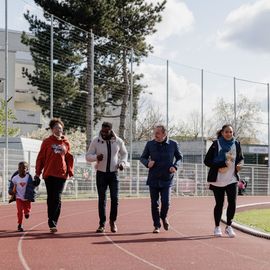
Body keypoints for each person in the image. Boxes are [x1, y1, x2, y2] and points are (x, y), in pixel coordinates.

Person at [86, 122, 128, 233]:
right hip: (101, 174)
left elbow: (124, 154)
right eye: (102, 131)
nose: (103, 133)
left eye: (106, 131)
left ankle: (113, 221)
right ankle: (102, 224)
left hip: (114, 174)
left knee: (115, 199)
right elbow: (88, 156)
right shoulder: (96, 140)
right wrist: (96, 157)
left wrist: (122, 163)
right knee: (102, 199)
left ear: (110, 130)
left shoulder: (118, 141)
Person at [140, 124, 183, 233]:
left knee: (166, 202)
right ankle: (157, 225)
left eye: (157, 133)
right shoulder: (150, 144)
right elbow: (143, 157)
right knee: (154, 203)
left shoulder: (173, 144)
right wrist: (147, 163)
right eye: (154, 133)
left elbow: (179, 157)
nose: (155, 135)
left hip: (167, 178)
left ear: (164, 134)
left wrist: (175, 166)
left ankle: (163, 217)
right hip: (153, 178)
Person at [204, 124, 244, 238]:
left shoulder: (236, 144)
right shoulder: (216, 144)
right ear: (222, 133)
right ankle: (217, 227)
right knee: (219, 204)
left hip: (231, 179)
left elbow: (240, 158)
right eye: (226, 132)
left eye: (231, 132)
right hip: (218, 180)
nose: (229, 134)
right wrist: (221, 164)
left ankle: (229, 226)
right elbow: (207, 161)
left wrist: (240, 164)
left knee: (233, 203)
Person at [35, 118, 74, 233]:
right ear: (52, 129)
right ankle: (51, 219)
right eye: (56, 128)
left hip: (61, 174)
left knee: (57, 198)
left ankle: (53, 222)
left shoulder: (65, 143)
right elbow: (41, 158)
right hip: (49, 174)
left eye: (60, 128)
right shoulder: (47, 142)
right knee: (51, 198)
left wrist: (70, 171)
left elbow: (69, 158)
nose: (59, 130)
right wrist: (38, 173)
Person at [8, 161, 40, 232]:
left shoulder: (29, 177)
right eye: (20, 168)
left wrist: (37, 181)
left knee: (27, 210)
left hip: (27, 197)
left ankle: (27, 212)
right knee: (19, 211)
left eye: (24, 168)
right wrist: (10, 191)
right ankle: (20, 224)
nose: (21, 169)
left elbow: (34, 184)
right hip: (18, 197)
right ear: (18, 169)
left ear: (27, 169)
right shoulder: (15, 178)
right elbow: (11, 187)